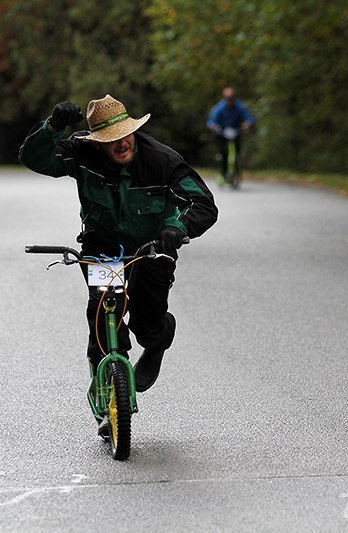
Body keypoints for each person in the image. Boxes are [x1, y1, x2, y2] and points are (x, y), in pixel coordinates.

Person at [19, 95, 218, 434]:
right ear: (98, 143)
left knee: (147, 319)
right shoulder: (82, 154)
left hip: (153, 247)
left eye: (125, 134)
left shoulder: (162, 161)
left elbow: (203, 204)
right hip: (103, 248)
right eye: (111, 139)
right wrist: (52, 127)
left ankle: (156, 342)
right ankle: (106, 388)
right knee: (103, 310)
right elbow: (35, 158)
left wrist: (177, 228)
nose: (122, 143)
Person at [206, 87, 255, 183]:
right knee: (224, 153)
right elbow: (211, 121)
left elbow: (249, 117)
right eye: (228, 98)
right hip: (222, 133)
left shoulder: (240, 107)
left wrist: (247, 124)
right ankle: (223, 172)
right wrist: (214, 126)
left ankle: (236, 173)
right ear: (224, 98)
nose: (230, 101)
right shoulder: (219, 108)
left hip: (235, 132)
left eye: (231, 98)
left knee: (237, 153)